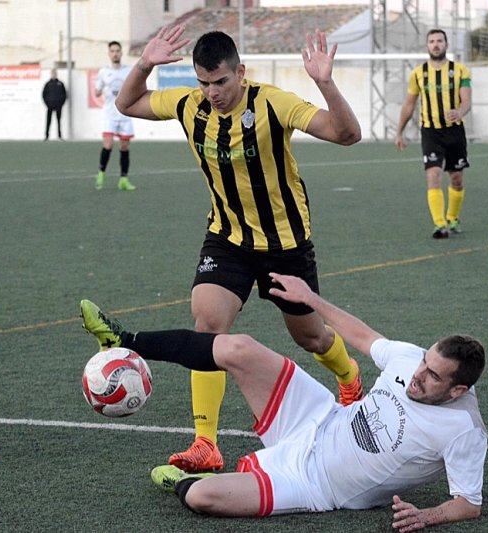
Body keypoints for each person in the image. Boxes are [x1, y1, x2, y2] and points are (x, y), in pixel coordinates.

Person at [99, 25, 363, 473]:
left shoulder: (272, 102)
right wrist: (144, 64)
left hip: (284, 242)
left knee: (311, 337)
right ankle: (206, 442)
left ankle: (349, 378)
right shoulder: (189, 105)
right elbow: (126, 104)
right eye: (204, 82)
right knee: (207, 325)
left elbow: (346, 134)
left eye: (220, 82)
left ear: (240, 72)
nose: (212, 92)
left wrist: (325, 82)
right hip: (228, 238)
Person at [78, 272, 487, 529]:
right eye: (424, 362)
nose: (418, 374)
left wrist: (427, 516)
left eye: (433, 375)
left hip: (316, 484)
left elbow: (468, 504)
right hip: (318, 418)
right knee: (239, 347)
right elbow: (363, 336)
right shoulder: (410, 359)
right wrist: (311, 299)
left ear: (458, 392)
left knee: (202, 498)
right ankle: (126, 341)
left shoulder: (464, 430)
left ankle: (190, 482)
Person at [395, 29, 472, 239]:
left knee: (456, 179)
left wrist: (459, 112)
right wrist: (399, 131)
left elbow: (466, 100)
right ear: (427, 46)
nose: (436, 44)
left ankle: (452, 218)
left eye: (439, 41)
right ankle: (440, 225)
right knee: (433, 175)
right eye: (432, 41)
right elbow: (409, 104)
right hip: (430, 132)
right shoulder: (418, 74)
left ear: (446, 45)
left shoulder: (460, 70)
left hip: (455, 132)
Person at [94, 41, 135, 191]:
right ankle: (101, 174)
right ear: (109, 53)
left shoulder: (128, 71)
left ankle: (123, 179)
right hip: (110, 115)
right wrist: (98, 91)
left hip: (125, 114)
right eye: (112, 51)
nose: (115, 53)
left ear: (121, 53)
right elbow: (97, 90)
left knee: (124, 147)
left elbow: (135, 87)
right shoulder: (104, 72)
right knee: (108, 145)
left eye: (117, 51)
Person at [42, 69, 66, 140]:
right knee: (48, 121)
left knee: (59, 121)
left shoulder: (60, 84)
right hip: (50, 106)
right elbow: (44, 95)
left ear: (56, 74)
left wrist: (61, 104)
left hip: (58, 106)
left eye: (55, 74)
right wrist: (47, 104)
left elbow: (64, 95)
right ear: (51, 74)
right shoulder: (48, 84)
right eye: (52, 74)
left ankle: (59, 136)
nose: (54, 75)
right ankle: (47, 136)